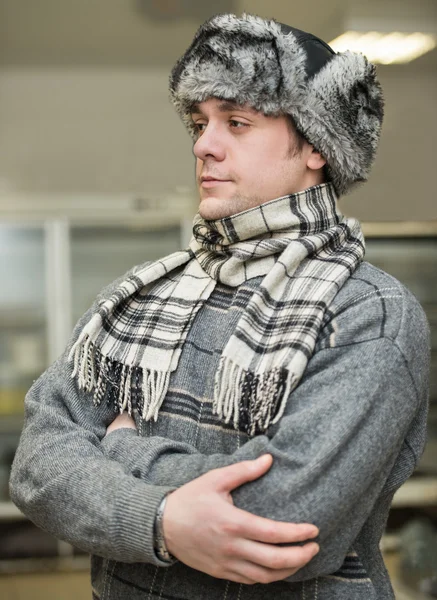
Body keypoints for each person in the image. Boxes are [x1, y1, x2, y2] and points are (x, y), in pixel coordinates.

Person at [10, 12, 430, 600]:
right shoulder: (141, 296)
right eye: (200, 123)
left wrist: (121, 451)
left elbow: (284, 518)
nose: (204, 145)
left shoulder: (369, 312)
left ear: (316, 145)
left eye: (237, 122)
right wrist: (163, 523)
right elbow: (38, 464)